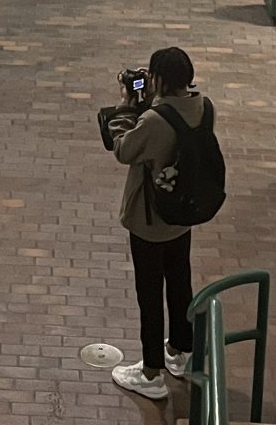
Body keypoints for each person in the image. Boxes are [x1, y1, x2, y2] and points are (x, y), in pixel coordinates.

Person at [107, 46, 203, 400]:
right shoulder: (203, 106)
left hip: (149, 220)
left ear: (159, 78)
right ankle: (181, 350)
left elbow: (124, 149)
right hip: (182, 216)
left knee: (149, 294)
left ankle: (151, 373)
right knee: (180, 282)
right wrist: (153, 101)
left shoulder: (153, 120)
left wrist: (126, 106)